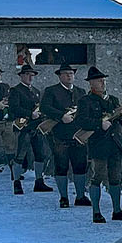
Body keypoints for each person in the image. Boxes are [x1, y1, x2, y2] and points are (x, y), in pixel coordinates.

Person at [75, 66, 122, 223]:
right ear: (91, 83)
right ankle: (96, 212)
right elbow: (81, 120)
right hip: (99, 144)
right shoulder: (85, 101)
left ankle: (117, 210)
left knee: (115, 178)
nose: (102, 82)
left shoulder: (113, 100)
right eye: (99, 80)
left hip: (115, 143)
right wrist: (99, 124)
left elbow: (120, 123)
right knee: (97, 177)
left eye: (103, 80)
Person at [39, 63, 90, 208]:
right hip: (60, 135)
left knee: (80, 166)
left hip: (78, 135)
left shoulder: (81, 92)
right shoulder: (51, 91)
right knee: (61, 166)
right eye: (66, 73)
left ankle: (80, 196)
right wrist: (61, 116)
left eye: (71, 73)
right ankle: (63, 197)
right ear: (60, 75)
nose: (69, 76)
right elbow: (45, 107)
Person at [5, 63, 51, 195]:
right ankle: (17, 182)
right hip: (23, 127)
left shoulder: (36, 91)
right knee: (20, 155)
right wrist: (30, 114)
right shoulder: (16, 90)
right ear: (21, 76)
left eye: (32, 75)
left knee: (40, 154)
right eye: (28, 75)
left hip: (36, 127)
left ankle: (39, 181)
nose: (30, 77)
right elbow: (14, 107)